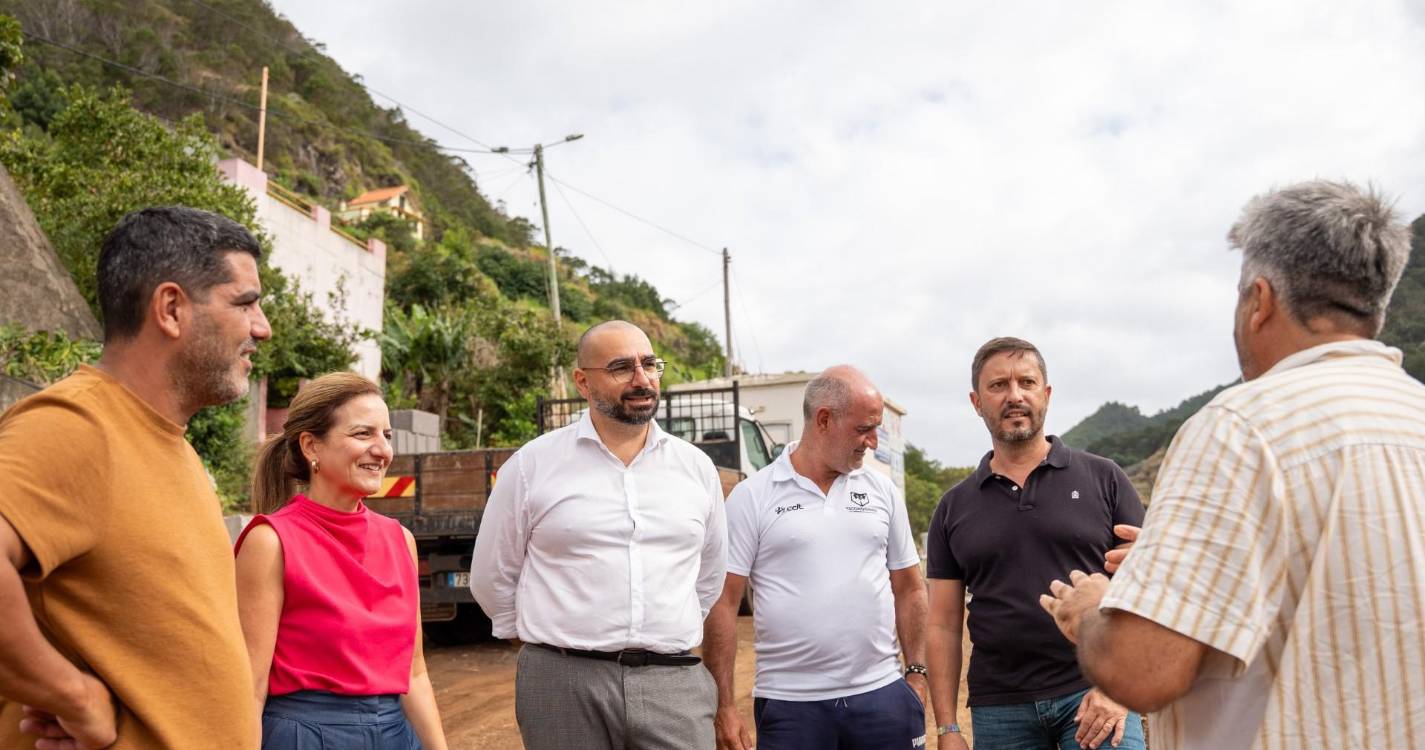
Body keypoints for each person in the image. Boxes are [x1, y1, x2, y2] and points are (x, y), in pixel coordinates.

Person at [1040, 180, 1425, 750]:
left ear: (1260, 300)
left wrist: (1094, 608)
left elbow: (1142, 669)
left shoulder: (1242, 427)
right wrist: (1179, 562)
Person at [0, 206, 270, 748]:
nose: (262, 328)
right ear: (171, 309)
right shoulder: (75, 425)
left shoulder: (174, 447)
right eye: (245, 304)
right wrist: (73, 695)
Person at [470, 319, 727, 750]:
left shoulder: (696, 469)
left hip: (673, 685)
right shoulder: (533, 466)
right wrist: (549, 647)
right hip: (563, 684)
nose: (642, 379)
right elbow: (493, 573)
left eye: (650, 364)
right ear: (583, 382)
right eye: (621, 367)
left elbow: (709, 574)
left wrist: (662, 634)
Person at [926, 337, 1146, 750]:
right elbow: (941, 624)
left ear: (1045, 394)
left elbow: (1147, 587)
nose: (1014, 395)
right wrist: (947, 728)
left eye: (1026, 382)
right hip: (1001, 707)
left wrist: (1118, 686)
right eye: (998, 386)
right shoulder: (953, 508)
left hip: (1094, 691)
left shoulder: (1105, 478)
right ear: (976, 402)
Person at [704, 366, 929, 750]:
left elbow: (909, 588)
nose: (873, 441)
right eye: (864, 428)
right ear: (824, 419)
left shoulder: (882, 491)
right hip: (791, 706)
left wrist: (917, 675)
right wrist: (724, 705)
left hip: (882, 697)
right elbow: (723, 602)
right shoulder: (753, 496)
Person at [235, 372, 447, 749]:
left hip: (395, 735)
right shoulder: (270, 542)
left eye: (387, 436)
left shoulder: (401, 540)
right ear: (311, 447)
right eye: (363, 434)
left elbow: (414, 675)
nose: (382, 450)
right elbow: (249, 687)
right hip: (304, 736)